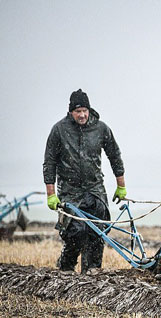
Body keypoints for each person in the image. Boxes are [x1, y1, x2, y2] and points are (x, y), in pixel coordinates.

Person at [43, 89, 128, 273]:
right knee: (76, 232)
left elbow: (115, 156)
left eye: (84, 110)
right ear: (71, 112)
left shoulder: (101, 128)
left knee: (97, 233)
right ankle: (66, 267)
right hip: (69, 191)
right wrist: (51, 194)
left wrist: (121, 186)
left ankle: (91, 275)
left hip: (95, 188)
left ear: (89, 110)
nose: (82, 115)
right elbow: (49, 162)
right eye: (77, 111)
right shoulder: (59, 130)